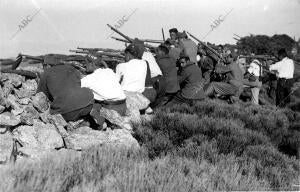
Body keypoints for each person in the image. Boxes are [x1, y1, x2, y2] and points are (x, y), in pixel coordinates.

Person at [37, 55, 94, 122]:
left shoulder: (46, 73)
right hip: (88, 102)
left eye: (43, 65)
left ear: (47, 65)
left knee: (54, 111)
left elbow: (40, 95)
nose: (43, 68)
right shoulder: (72, 68)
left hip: (67, 111)